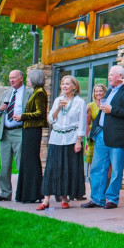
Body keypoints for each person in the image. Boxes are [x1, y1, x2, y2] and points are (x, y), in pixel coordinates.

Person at [82, 65, 124, 209]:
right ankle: (97, 198)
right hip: (101, 133)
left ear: (120, 76)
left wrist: (113, 110)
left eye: (111, 74)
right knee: (97, 167)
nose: (109, 77)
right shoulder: (109, 92)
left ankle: (112, 199)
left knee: (117, 169)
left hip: (117, 135)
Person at [39, 75, 86, 210]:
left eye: (67, 84)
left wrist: (79, 141)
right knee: (52, 168)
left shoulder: (79, 102)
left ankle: (65, 198)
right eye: (63, 84)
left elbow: (81, 122)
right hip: (56, 139)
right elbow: (50, 120)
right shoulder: (58, 100)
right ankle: (46, 199)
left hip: (71, 139)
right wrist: (58, 108)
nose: (64, 86)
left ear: (74, 87)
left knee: (67, 168)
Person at [0, 70, 32, 202]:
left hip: (19, 131)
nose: (11, 80)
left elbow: (34, 113)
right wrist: (0, 109)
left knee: (21, 163)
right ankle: (5, 193)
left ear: (21, 78)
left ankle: (22, 192)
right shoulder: (6, 93)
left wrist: (23, 117)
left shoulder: (29, 93)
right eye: (10, 78)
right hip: (5, 132)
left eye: (14, 78)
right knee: (5, 165)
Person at [14, 69, 49, 203]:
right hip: (29, 129)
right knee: (27, 161)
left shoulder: (40, 93)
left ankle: (33, 193)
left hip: (33, 129)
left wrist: (22, 116)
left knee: (31, 160)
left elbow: (40, 113)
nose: (27, 80)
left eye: (29, 78)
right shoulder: (36, 92)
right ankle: (26, 193)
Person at [85, 84, 106, 179]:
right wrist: (87, 136)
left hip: (107, 135)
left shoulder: (108, 104)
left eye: (100, 91)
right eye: (96, 91)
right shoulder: (90, 106)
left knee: (106, 161)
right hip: (94, 136)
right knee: (93, 161)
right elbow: (87, 123)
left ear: (105, 92)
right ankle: (93, 182)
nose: (98, 93)